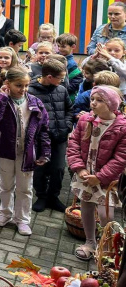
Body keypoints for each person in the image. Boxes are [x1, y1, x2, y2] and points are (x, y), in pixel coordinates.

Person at [0, 67, 50, 236]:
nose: (23, 89)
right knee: (6, 185)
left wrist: (45, 152)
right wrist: (3, 96)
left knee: (25, 188)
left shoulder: (35, 102)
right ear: (8, 84)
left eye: (26, 85)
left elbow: (44, 129)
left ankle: (22, 219)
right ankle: (5, 214)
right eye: (18, 85)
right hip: (5, 151)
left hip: (27, 152)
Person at [67, 85, 126, 260]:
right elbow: (74, 145)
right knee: (86, 206)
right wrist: (79, 168)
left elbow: (121, 157)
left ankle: (107, 246)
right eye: (93, 99)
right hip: (86, 174)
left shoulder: (122, 127)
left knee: (105, 213)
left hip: (106, 179)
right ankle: (90, 242)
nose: (93, 103)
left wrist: (100, 177)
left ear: (112, 105)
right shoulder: (85, 120)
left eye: (100, 100)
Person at [29, 56, 73, 213]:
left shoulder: (61, 90)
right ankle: (41, 196)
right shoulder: (31, 91)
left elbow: (70, 109)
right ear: (49, 77)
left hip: (60, 138)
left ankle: (53, 197)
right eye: (60, 78)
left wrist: (67, 125)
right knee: (40, 169)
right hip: (40, 140)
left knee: (59, 169)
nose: (62, 80)